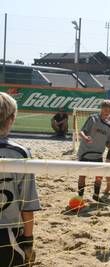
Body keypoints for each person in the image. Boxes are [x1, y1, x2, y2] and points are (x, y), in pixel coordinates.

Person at [0, 92, 41, 266]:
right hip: (8, 233)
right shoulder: (19, 153)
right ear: (11, 118)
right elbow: (27, 204)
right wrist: (28, 241)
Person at [77, 100, 110, 202]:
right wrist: (85, 137)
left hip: (98, 154)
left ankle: (96, 196)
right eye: (105, 109)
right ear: (101, 108)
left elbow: (107, 143)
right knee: (82, 176)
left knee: (99, 177)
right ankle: (80, 197)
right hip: (85, 152)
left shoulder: (109, 125)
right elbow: (81, 132)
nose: (107, 111)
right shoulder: (93, 118)